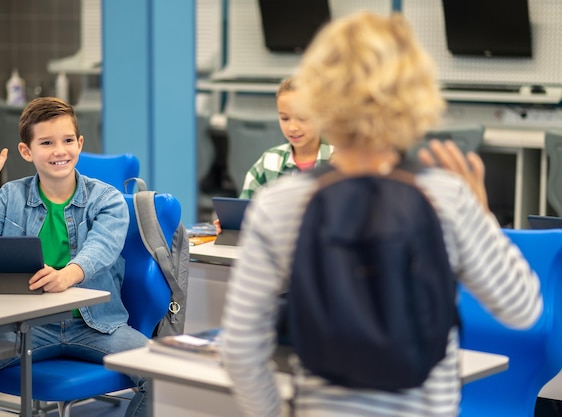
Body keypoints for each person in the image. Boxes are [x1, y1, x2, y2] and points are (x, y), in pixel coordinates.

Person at [220, 11, 542, 417]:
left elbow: (240, 349)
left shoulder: (280, 201)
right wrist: (483, 215)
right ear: (416, 92)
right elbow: (523, 308)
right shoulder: (446, 195)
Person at [0, 97, 149, 417]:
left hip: (97, 326)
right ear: (26, 151)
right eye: (46, 142)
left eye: (68, 140)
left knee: (159, 371)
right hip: (28, 327)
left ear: (80, 143)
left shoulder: (108, 199)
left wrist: (66, 275)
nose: (60, 151)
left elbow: (101, 248)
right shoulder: (10, 197)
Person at [238, 76, 332, 200]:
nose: (292, 127)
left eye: (302, 118)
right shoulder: (269, 162)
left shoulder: (338, 160)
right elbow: (245, 207)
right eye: (285, 118)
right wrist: (232, 218)